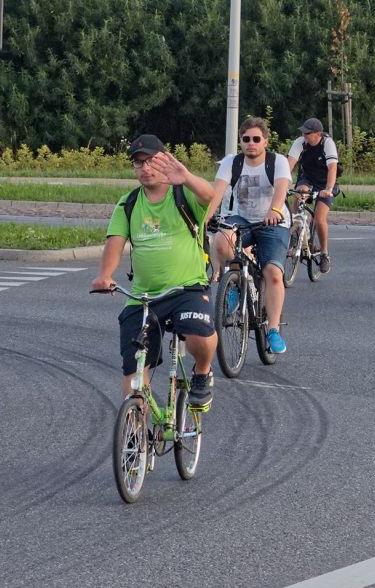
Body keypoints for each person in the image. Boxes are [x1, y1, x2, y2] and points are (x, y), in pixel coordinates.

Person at [92, 135, 218, 407]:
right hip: (144, 296)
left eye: (150, 161)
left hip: (188, 287)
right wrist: (105, 275)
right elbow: (114, 243)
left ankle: (202, 372)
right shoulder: (129, 203)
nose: (145, 168)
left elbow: (209, 195)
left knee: (200, 335)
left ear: (164, 160)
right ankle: (136, 436)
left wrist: (186, 177)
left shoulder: (183, 194)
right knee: (134, 370)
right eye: (138, 163)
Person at [208, 117, 292, 354]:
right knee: (222, 240)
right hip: (241, 219)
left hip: (273, 221)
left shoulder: (278, 161)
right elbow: (216, 192)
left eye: (256, 139)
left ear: (265, 141)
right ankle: (235, 283)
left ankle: (273, 330)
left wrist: (274, 210)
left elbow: (282, 188)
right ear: (241, 142)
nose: (251, 143)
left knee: (273, 274)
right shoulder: (231, 163)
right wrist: (205, 218)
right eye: (246, 139)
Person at [286, 117, 338, 273]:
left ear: (318, 134)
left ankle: (324, 253)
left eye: (308, 133)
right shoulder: (300, 142)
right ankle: (295, 233)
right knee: (298, 195)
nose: (305, 136)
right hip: (307, 178)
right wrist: (281, 184)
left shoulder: (327, 143)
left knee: (319, 218)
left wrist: (328, 188)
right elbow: (289, 164)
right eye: (303, 133)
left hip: (325, 182)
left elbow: (332, 169)